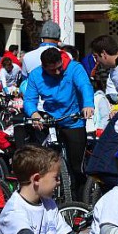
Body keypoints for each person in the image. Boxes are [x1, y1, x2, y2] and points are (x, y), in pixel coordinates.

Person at [23, 47, 95, 200]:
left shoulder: (74, 68)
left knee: (77, 166)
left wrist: (88, 104)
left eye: (59, 68)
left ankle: (79, 201)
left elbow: (85, 86)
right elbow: (29, 100)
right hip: (51, 120)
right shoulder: (36, 75)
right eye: (52, 70)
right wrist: (34, 114)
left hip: (73, 120)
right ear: (44, 67)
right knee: (43, 161)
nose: (57, 72)